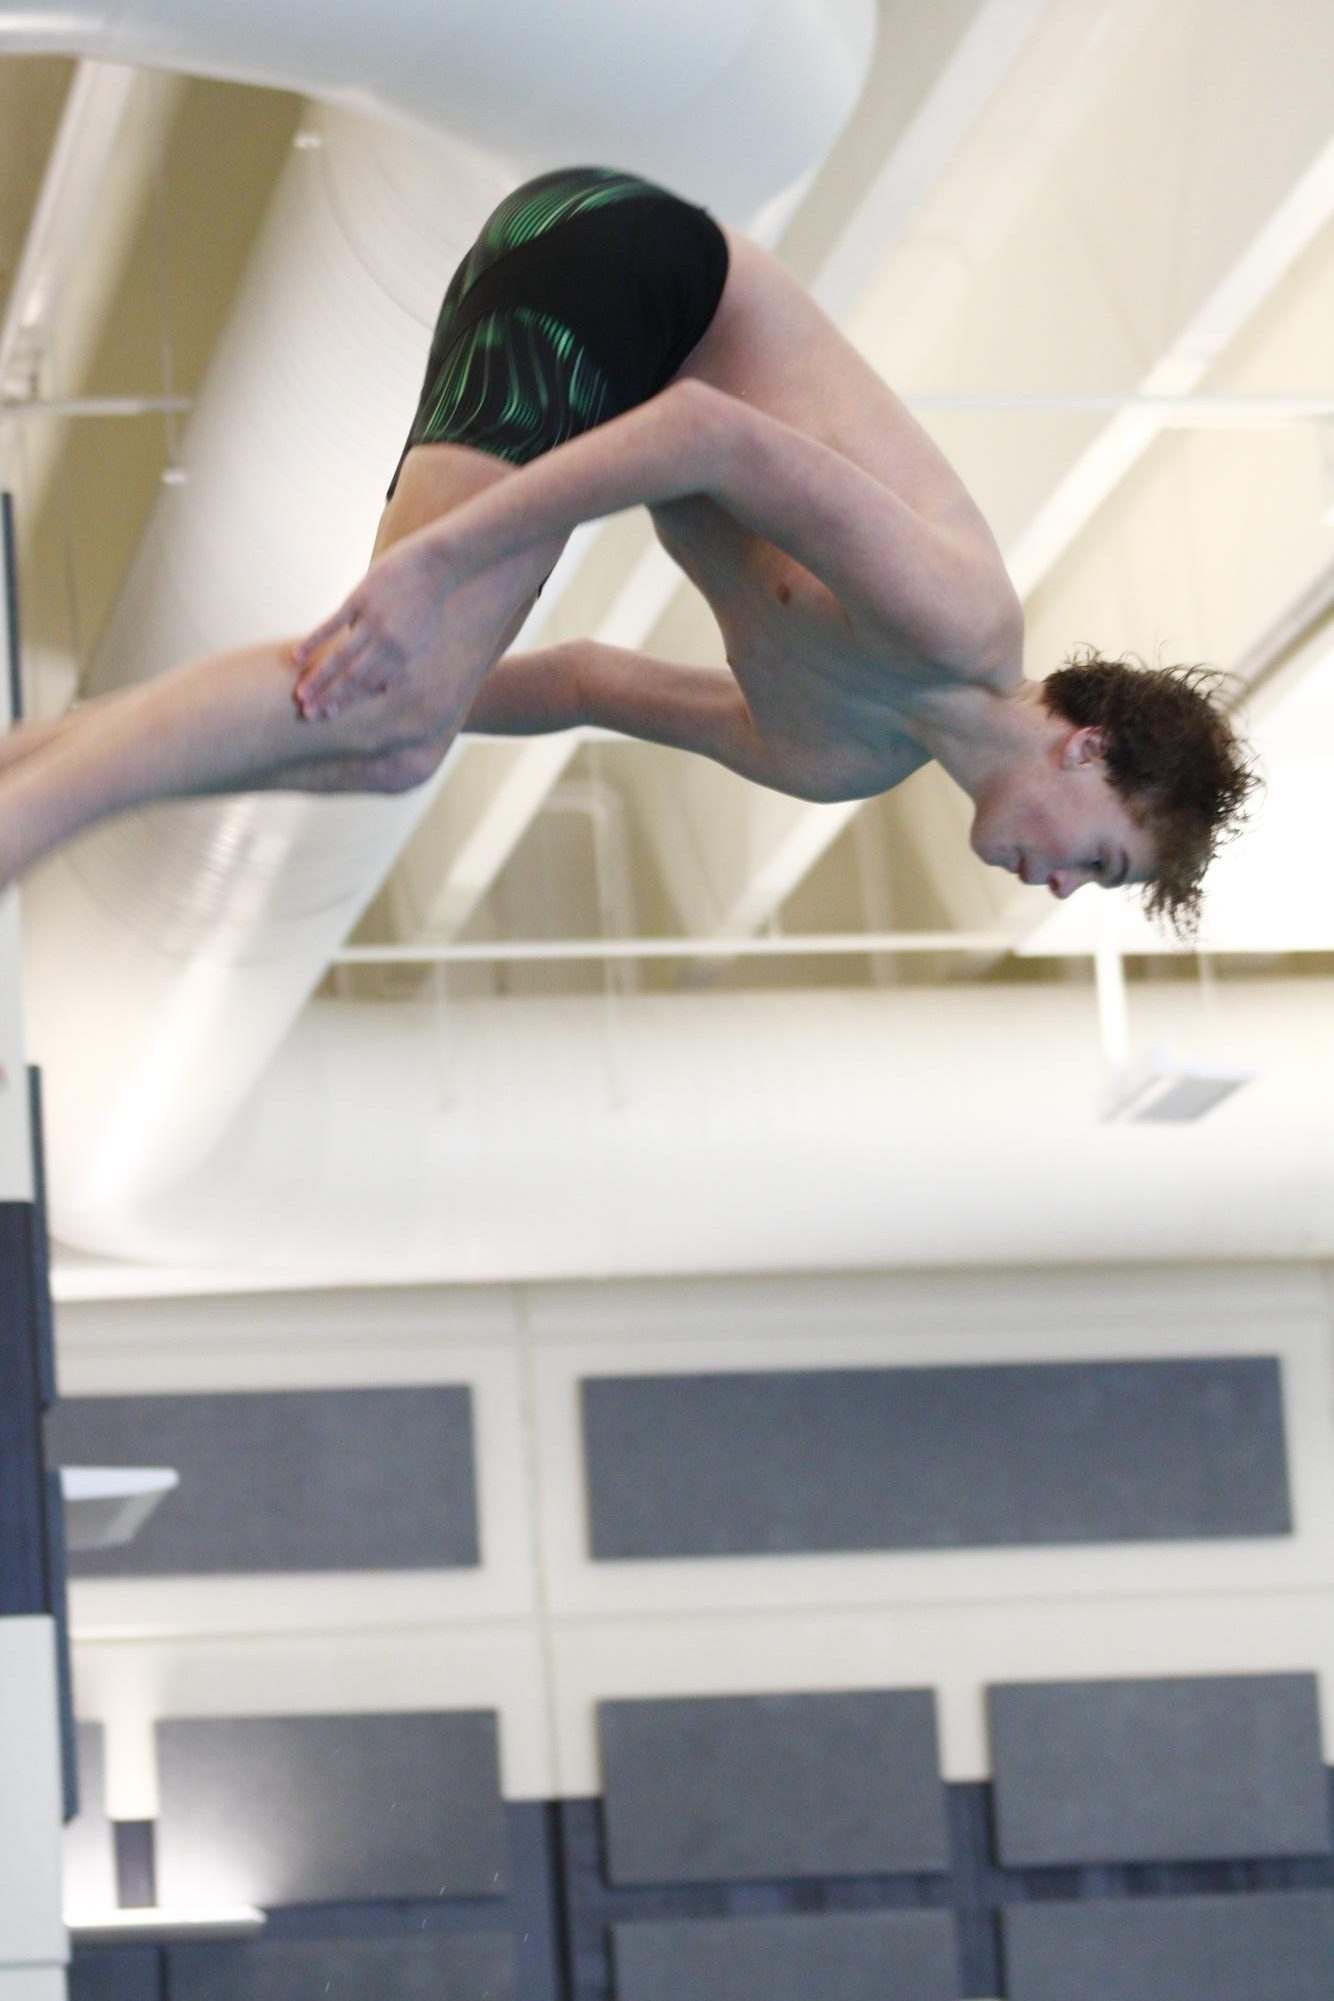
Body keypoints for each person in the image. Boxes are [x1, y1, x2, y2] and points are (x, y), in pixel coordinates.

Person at [0, 166, 1255, 931]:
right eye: (1097, 859)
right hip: (623, 259)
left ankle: (48, 761)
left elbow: (590, 683)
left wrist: (355, 699)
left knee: (393, 742)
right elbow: (709, 435)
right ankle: (33, 816)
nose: (1058, 886)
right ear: (1087, 747)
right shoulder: (956, 617)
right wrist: (426, 585)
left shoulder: (833, 763)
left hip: (605, 350)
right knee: (396, 708)